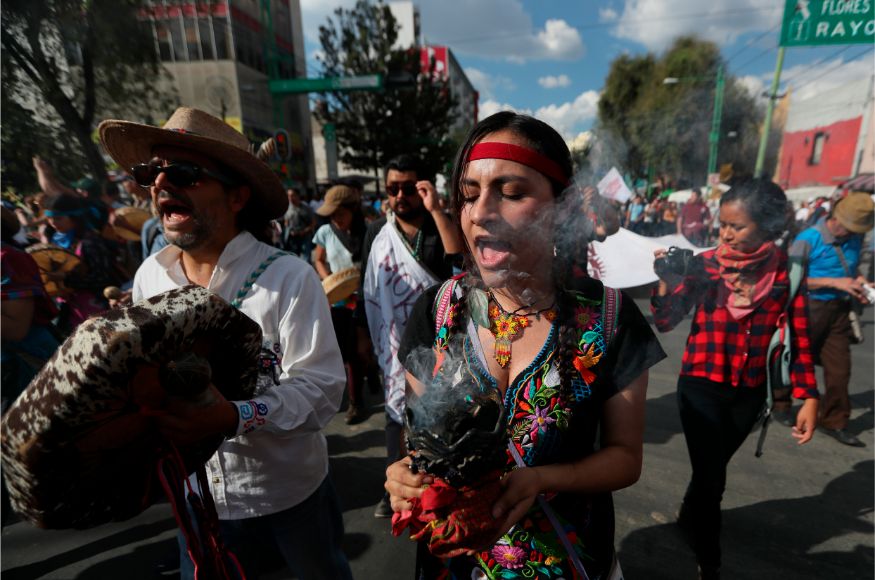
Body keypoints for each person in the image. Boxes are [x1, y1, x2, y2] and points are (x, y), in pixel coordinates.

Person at [384, 112, 666, 578]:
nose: (480, 212)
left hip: (564, 560)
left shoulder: (609, 318)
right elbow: (419, 441)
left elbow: (624, 457)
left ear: (563, 205)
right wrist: (404, 477)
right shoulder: (437, 311)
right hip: (453, 561)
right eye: (469, 194)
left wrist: (543, 479)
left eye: (511, 193)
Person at [98, 107, 352, 580]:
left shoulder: (289, 277)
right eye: (151, 172)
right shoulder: (150, 275)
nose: (160, 184)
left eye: (184, 173)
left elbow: (321, 392)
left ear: (237, 196)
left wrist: (234, 415)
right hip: (198, 498)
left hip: (289, 498)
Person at [651, 178, 819, 580]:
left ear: (767, 225)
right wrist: (667, 279)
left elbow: (799, 332)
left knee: (711, 470)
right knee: (714, 478)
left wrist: (808, 396)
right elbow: (666, 318)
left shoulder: (787, 272)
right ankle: (710, 562)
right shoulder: (705, 263)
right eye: (722, 224)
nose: (725, 233)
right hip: (700, 385)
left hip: (749, 393)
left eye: (736, 226)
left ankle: (689, 516)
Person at [358, 153, 463, 518]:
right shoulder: (376, 231)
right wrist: (362, 337)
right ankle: (395, 492)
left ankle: (440, 488)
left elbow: (459, 261)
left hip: (438, 338)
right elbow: (367, 286)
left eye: (408, 188)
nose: (400, 196)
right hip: (392, 339)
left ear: (423, 188)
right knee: (395, 413)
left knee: (440, 413)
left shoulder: (438, 226)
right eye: (392, 189)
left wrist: (436, 209)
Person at [788, 192, 875, 447]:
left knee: (840, 369)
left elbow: (852, 268)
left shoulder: (857, 238)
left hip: (839, 309)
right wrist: (833, 281)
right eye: (848, 227)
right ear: (835, 217)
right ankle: (780, 404)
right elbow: (789, 278)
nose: (850, 233)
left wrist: (861, 283)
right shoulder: (808, 239)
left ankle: (834, 421)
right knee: (792, 356)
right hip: (808, 306)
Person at [313, 185, 368, 424]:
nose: (336, 218)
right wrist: (331, 281)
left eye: (340, 213)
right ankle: (354, 401)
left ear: (353, 210)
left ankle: (360, 393)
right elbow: (318, 259)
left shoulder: (368, 231)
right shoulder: (325, 231)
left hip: (364, 299)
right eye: (332, 214)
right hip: (338, 301)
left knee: (361, 351)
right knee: (346, 353)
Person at [43, 194, 123, 333]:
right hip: (77, 311)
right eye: (49, 218)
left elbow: (102, 277)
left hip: (101, 308)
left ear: (74, 218)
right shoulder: (58, 241)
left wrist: (65, 279)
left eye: (58, 218)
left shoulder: (89, 242)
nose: (52, 223)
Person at [283, 186, 316, 261]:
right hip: (293, 239)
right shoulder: (287, 209)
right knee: (294, 260)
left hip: (305, 238)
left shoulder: (306, 208)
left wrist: (304, 231)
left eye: (292, 195)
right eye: (288, 196)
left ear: (297, 196)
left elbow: (313, 222)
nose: (290, 198)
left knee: (306, 259)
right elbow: (286, 222)